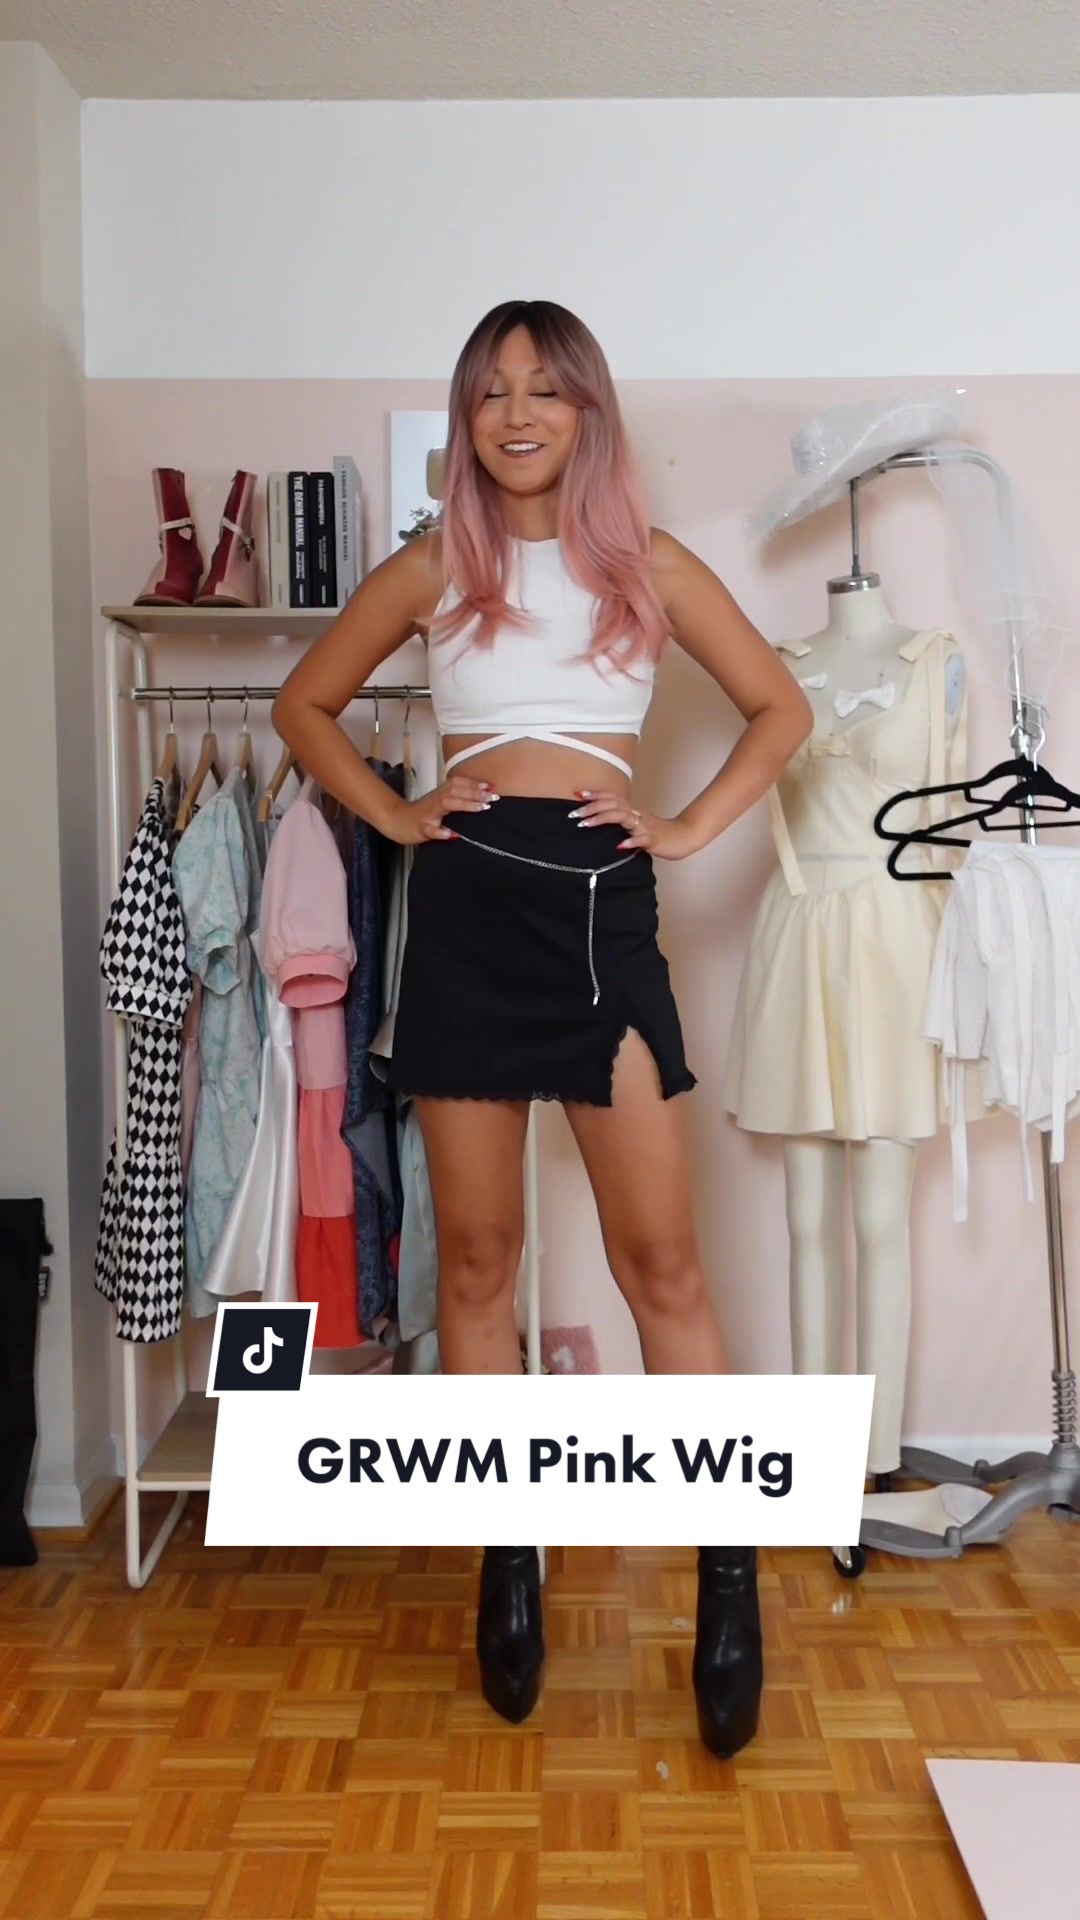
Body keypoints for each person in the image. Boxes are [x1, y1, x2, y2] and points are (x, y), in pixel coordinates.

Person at [272, 299, 812, 1757]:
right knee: (478, 1260)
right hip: (463, 916)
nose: (518, 413)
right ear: (470, 417)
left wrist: (682, 826)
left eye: (545, 389)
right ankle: (507, 1554)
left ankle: (726, 1577)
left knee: (663, 1262)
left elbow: (780, 709)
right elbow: (305, 704)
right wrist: (396, 813)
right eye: (492, 390)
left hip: (597, 914)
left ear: (587, 412)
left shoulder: (651, 565)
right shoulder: (434, 565)